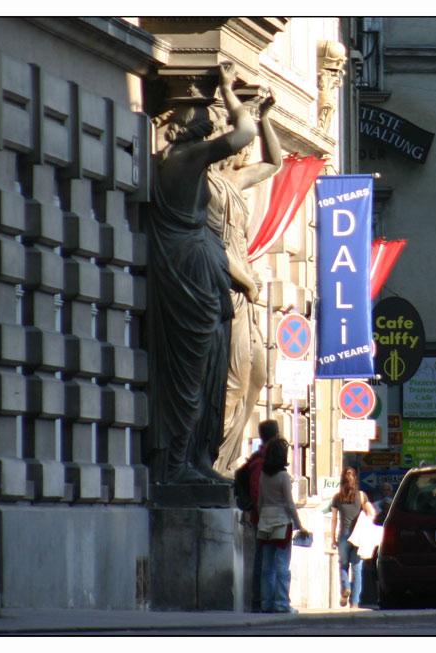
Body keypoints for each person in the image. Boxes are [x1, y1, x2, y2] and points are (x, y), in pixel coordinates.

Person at [145, 61, 256, 484]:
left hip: (185, 262)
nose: (210, 124)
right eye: (203, 119)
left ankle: (189, 460)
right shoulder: (190, 158)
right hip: (190, 267)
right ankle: (178, 464)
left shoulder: (172, 162)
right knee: (193, 371)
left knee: (203, 367)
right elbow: (244, 133)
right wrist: (229, 92)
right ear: (182, 126)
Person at [209, 87, 281, 478]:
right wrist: (247, 283)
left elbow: (275, 163)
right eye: (242, 144)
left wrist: (267, 117)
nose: (246, 153)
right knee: (234, 382)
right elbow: (214, 246)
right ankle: (214, 459)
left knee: (259, 375)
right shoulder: (209, 184)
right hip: (231, 286)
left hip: (244, 288)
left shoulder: (235, 180)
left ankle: (225, 451)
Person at [256, 437, 309, 613]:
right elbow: (289, 503)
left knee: (267, 566)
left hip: (265, 522)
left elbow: (260, 502)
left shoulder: (263, 476)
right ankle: (281, 603)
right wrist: (300, 525)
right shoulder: (283, 477)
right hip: (281, 523)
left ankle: (266, 602)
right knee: (282, 567)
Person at [239, 419, 279, 612]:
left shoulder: (263, 458)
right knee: (263, 559)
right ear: (275, 435)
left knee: (266, 558)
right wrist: (262, 514)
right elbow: (256, 490)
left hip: (264, 516)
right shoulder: (262, 460)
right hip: (263, 517)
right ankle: (259, 600)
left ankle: (264, 599)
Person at [331, 467, 377, 608]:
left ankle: (346, 587)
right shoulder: (361, 496)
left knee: (343, 565)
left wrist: (333, 538)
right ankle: (355, 603)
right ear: (355, 479)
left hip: (344, 535)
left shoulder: (337, 497)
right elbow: (372, 512)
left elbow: (334, 520)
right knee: (357, 569)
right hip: (358, 536)